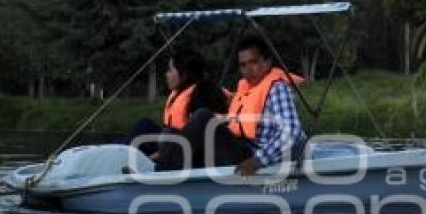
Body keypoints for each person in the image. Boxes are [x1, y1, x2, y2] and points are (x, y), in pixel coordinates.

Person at [154, 34, 307, 174]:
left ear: (267, 62)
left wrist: (258, 161)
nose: (248, 70)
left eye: (253, 62)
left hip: (252, 155)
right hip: (237, 147)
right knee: (171, 133)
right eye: (243, 65)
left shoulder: (277, 89)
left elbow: (292, 130)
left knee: (202, 116)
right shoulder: (246, 88)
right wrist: (222, 118)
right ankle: (164, 166)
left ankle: (162, 171)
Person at [123, 49, 228, 155]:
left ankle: (120, 155)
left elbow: (201, 133)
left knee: (144, 126)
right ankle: (118, 152)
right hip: (172, 141)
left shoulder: (201, 93)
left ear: (184, 73)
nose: (166, 74)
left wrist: (161, 153)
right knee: (143, 127)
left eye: (170, 70)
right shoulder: (181, 91)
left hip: (184, 147)